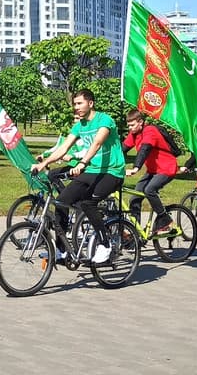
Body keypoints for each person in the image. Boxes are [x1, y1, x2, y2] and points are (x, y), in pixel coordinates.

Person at [31, 89, 126, 264]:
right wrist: (43, 164)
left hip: (112, 172)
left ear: (91, 103)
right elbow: (63, 148)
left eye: (79, 103)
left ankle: (105, 244)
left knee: (87, 203)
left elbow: (97, 143)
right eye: (75, 104)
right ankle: (62, 251)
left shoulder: (104, 120)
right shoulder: (79, 125)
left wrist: (82, 163)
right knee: (61, 202)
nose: (76, 107)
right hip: (93, 170)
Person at [122, 110, 179, 234]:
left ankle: (165, 219)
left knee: (149, 190)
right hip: (153, 170)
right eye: (128, 125)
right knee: (135, 197)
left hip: (167, 168)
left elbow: (145, 149)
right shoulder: (134, 134)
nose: (130, 128)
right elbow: (123, 149)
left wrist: (136, 167)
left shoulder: (150, 131)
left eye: (132, 125)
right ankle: (135, 231)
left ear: (141, 122)